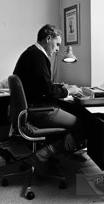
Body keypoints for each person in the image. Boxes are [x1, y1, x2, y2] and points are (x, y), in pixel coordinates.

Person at [13, 24, 88, 171]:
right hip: (39, 111)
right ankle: (43, 154)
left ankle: (54, 154)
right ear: (48, 38)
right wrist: (68, 91)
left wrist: (60, 88)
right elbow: (48, 90)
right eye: (57, 44)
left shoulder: (30, 53)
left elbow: (42, 85)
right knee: (82, 124)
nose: (58, 49)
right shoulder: (37, 56)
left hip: (31, 109)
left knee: (70, 116)